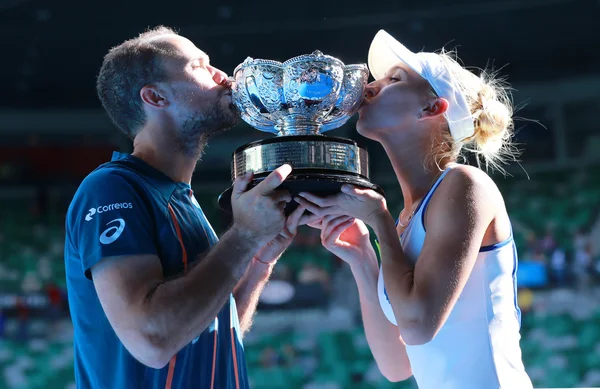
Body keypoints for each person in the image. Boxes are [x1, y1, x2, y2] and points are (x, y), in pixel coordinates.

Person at [64, 26, 308, 389]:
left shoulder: (181, 198)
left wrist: (258, 258)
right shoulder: (111, 187)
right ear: (156, 97)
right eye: (199, 66)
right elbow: (152, 341)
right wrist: (242, 238)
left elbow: (208, 331)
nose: (223, 75)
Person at [294, 30, 533, 389]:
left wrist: (380, 221)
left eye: (394, 80)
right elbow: (396, 365)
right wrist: (363, 257)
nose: (371, 87)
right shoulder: (410, 218)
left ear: (433, 107)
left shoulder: (466, 183)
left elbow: (419, 326)